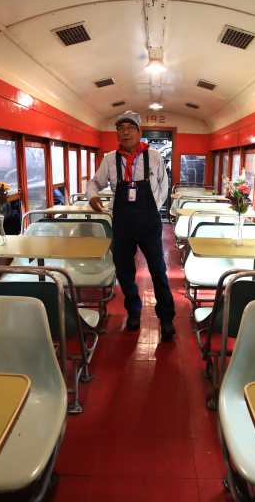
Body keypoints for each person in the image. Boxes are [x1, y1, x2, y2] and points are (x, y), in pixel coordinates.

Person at [87, 111, 176, 341]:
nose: (125, 132)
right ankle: (134, 311)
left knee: (158, 270)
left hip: (149, 223)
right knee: (124, 271)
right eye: (120, 128)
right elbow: (94, 183)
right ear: (117, 133)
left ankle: (166, 317)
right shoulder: (109, 159)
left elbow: (164, 185)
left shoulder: (154, 156)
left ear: (139, 132)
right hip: (122, 223)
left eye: (129, 128)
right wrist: (91, 196)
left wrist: (153, 208)